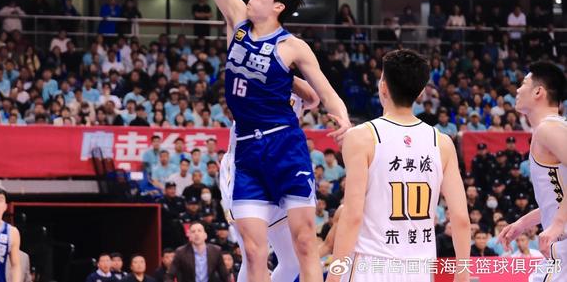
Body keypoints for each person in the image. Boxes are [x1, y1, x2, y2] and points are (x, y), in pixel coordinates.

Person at [177, 0, 350, 282]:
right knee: (254, 252)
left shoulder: (292, 48)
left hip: (284, 145)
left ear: (277, 7)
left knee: (303, 245)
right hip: (246, 149)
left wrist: (342, 117)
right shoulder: (238, 22)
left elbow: (324, 91)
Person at [328, 49, 470, 282]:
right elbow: (461, 218)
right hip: (419, 269)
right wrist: (462, 275)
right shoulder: (442, 142)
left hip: (370, 266)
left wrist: (334, 276)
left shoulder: (361, 137)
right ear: (421, 92)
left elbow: (352, 216)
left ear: (383, 86)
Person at [220, 78, 320, 282]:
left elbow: (314, 98)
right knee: (254, 257)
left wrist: (284, 72)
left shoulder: (290, 82)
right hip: (246, 167)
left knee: (293, 262)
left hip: (280, 168)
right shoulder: (253, 76)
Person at [498, 62, 567, 278]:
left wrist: (558, 224)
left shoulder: (549, 128)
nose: (518, 90)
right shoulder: (550, 128)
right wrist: (522, 223)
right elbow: (557, 198)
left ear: (538, 92)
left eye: (523, 84)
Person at [164, 222, 229, 282]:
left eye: (199, 231)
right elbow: (169, 276)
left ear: (205, 235)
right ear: (189, 236)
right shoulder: (181, 252)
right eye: (193, 232)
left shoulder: (215, 251)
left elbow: (225, 276)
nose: (196, 234)